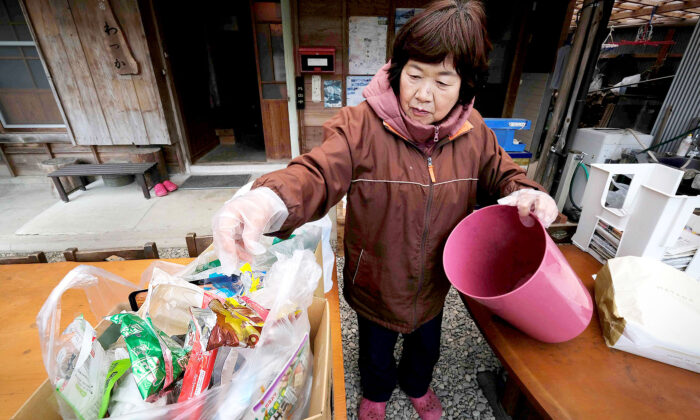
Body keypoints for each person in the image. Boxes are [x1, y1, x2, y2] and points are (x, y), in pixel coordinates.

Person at [212, 1, 558, 419]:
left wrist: (527, 192)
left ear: (467, 85)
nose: (423, 95)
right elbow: (318, 172)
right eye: (414, 75)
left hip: (434, 282)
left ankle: (417, 386)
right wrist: (265, 200)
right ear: (397, 69)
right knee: (374, 348)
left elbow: (503, 173)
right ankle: (375, 394)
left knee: (427, 345)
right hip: (375, 279)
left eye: (443, 82)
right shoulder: (359, 126)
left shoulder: (475, 132)